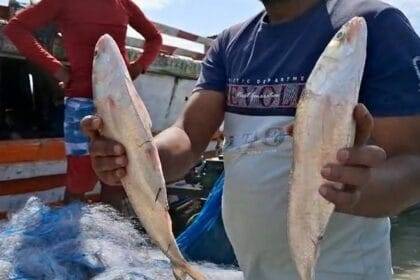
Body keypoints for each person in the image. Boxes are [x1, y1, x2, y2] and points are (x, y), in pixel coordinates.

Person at [82, 0, 420, 279]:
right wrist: (137, 157)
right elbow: (188, 134)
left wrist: (361, 189)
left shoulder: (373, 24)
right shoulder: (231, 42)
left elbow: (412, 163)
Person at [4, 0, 162, 199]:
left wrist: (138, 68)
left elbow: (155, 38)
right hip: (81, 103)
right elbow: (15, 28)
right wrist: (58, 69)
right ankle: (71, 229)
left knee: (117, 177)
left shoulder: (124, 3)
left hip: (121, 101)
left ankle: (110, 229)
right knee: (79, 180)